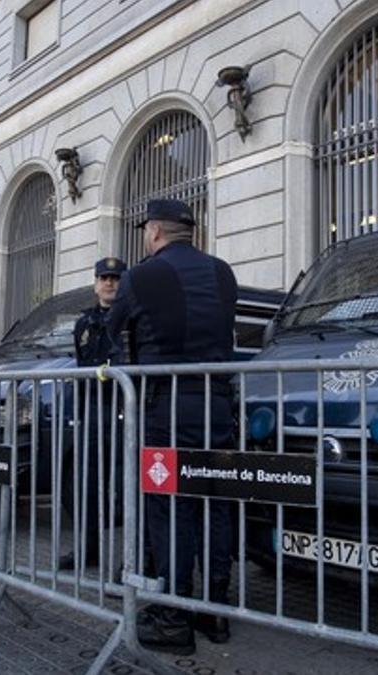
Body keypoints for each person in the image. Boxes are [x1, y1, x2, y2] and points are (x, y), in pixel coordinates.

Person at [107, 199, 238, 655]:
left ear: (156, 232)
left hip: (167, 408)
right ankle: (216, 612)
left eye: (146, 230)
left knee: (169, 507)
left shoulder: (139, 276)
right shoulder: (223, 272)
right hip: (218, 405)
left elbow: (113, 329)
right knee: (214, 506)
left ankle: (172, 618)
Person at [60, 256, 127, 571]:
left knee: (124, 487)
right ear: (96, 282)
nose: (109, 283)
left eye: (115, 277)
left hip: (122, 411)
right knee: (86, 484)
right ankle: (87, 550)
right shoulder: (84, 323)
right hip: (92, 412)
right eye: (104, 278)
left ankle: (129, 558)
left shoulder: (131, 317)